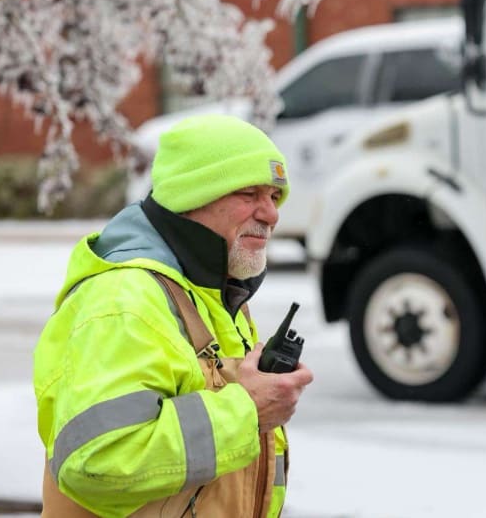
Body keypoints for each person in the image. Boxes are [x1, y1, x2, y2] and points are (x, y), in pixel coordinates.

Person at [33, 114, 314, 518]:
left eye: (274, 196)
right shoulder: (124, 299)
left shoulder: (213, 295)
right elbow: (96, 463)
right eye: (249, 194)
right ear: (191, 196)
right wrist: (247, 411)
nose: (270, 214)